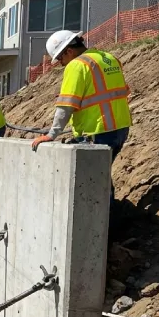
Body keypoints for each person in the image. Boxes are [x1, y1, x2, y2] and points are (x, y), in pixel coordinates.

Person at [31, 30, 131, 196]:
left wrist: (52, 134)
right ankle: (110, 214)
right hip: (121, 127)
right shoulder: (108, 58)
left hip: (98, 131)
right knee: (102, 175)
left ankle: (104, 218)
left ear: (69, 51)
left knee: (95, 182)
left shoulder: (77, 65)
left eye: (60, 58)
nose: (61, 63)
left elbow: (66, 105)